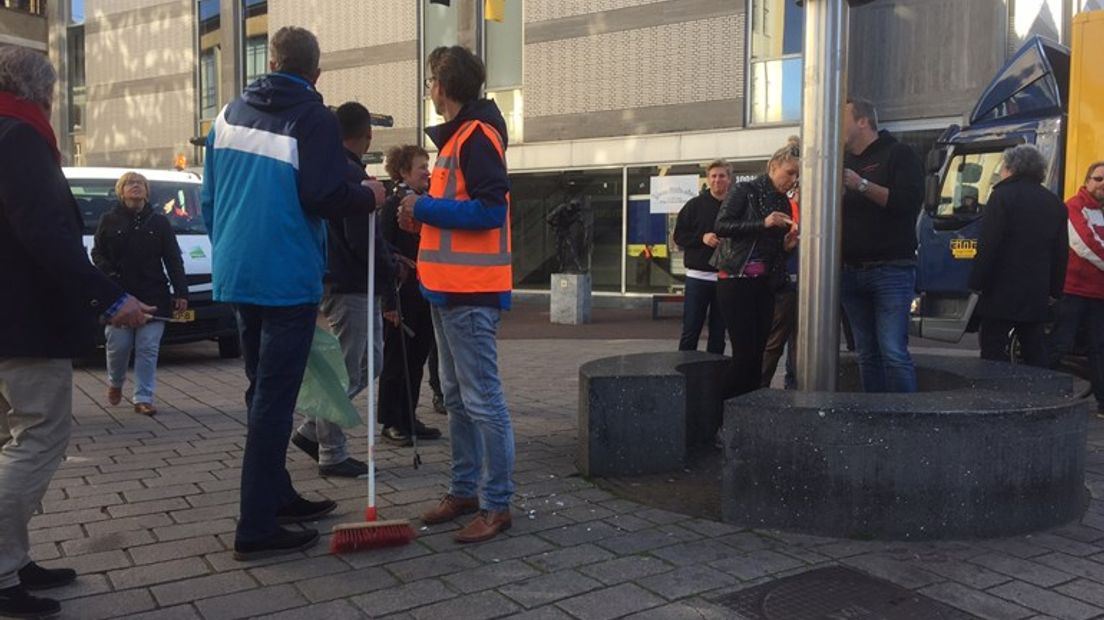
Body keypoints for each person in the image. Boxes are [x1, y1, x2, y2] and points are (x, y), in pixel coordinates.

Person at [201, 26, 385, 561]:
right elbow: (324, 194)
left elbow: (210, 201)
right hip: (285, 278)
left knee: (262, 390)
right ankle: (255, 526)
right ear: (316, 72)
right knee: (275, 401)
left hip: (238, 273)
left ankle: (277, 496)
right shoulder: (312, 118)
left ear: (271, 61)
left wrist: (234, 251)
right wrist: (368, 194)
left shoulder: (228, 114)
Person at [0, 46, 153, 618]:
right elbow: (45, 235)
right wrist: (110, 295)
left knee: (12, 443)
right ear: (42, 90)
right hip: (23, 322)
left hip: (9, 322)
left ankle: (16, 558)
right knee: (38, 440)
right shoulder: (19, 138)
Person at [397, 45, 515, 544]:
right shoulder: (461, 136)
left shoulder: (476, 136)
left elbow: (490, 210)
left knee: (482, 400)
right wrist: (421, 213)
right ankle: (465, 490)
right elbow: (460, 210)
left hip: (469, 292)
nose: (429, 89)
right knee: (457, 398)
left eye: (430, 81)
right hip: (446, 290)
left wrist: (421, 208)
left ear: (442, 86)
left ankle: (496, 504)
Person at [289, 101, 394, 478]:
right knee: (347, 370)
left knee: (373, 362)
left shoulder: (344, 170)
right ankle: (331, 452)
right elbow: (361, 237)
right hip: (350, 282)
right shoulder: (348, 174)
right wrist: (389, 271)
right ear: (367, 135)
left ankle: (312, 428)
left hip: (354, 281)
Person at [840, 97, 925, 393]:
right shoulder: (843, 161)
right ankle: (873, 419)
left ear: (863, 121)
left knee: (892, 351)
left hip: (891, 269)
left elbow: (908, 202)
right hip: (850, 270)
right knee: (866, 352)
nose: (836, 125)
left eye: (842, 117)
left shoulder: (899, 154)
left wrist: (861, 185)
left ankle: (903, 421)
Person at [92, 171, 188, 416]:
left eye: (140, 184)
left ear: (147, 191)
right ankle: (115, 382)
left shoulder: (160, 223)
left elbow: (173, 258)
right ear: (121, 191)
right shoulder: (108, 220)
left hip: (153, 293)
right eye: (130, 184)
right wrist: (109, 279)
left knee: (148, 347)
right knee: (119, 346)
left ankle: (143, 398)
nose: (135, 187)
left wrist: (181, 291)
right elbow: (98, 254)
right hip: (118, 295)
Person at [713, 137, 800, 399]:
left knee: (758, 353)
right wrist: (762, 223)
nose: (793, 179)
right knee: (744, 354)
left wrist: (787, 245)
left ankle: (746, 411)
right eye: (790, 172)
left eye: (797, 174)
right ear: (773, 167)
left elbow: (775, 252)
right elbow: (722, 226)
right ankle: (718, 410)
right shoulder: (745, 191)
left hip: (764, 282)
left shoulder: (783, 202)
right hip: (735, 278)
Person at [970, 145, 1068, 366]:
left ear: (1011, 168)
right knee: (1034, 346)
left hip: (1001, 288)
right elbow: (1060, 252)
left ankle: (994, 392)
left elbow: (989, 243)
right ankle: (1037, 393)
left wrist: (977, 281)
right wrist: (1055, 289)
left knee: (993, 346)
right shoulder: (1055, 203)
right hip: (1036, 289)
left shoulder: (1002, 196)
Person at [378, 144, 443, 445]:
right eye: (421, 166)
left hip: (423, 291)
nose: (427, 171)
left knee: (416, 357)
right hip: (402, 293)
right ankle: (391, 421)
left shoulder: (425, 203)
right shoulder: (393, 205)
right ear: (404, 171)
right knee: (396, 357)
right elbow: (383, 254)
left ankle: (409, 415)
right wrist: (389, 302)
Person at [1050, 161, 1104, 414]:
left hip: (1099, 292)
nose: (1102, 184)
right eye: (1098, 178)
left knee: (1099, 349)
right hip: (1073, 289)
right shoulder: (1074, 206)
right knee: (1060, 345)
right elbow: (1083, 243)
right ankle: (1047, 397)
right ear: (1087, 180)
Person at [673, 160, 731, 355]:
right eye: (714, 176)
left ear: (729, 179)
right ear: (708, 179)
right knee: (691, 330)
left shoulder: (736, 205)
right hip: (698, 278)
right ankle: (685, 374)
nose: (717, 180)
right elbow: (679, 236)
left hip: (725, 278)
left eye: (722, 175)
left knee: (718, 333)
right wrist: (701, 238)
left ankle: (715, 376)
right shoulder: (694, 205)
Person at [761, 186, 800, 388]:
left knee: (800, 342)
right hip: (786, 283)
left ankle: (793, 384)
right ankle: (760, 384)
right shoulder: (786, 208)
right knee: (775, 340)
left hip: (810, 286)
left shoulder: (824, 211)